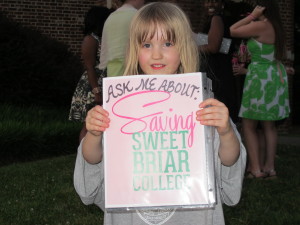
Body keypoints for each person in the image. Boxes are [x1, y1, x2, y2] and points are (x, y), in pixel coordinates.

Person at [74, 2, 246, 225]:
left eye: (167, 43)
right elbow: (93, 160)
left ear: (184, 47)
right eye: (146, 44)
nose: (156, 54)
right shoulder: (119, 108)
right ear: (134, 50)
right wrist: (94, 135)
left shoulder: (204, 106)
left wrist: (226, 134)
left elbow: (228, 160)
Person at [230, 0, 290, 179]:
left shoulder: (260, 25)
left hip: (259, 79)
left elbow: (233, 30)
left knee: (249, 124)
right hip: (272, 76)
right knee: (269, 126)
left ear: (262, 7)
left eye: (256, 5)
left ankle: (255, 169)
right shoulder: (276, 27)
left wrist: (251, 17)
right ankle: (270, 168)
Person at [69, 6, 112, 142]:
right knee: (88, 125)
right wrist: (96, 91)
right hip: (91, 85)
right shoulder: (90, 39)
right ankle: (82, 155)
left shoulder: (101, 38)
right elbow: (89, 67)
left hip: (100, 82)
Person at [198, 0, 239, 123]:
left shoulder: (217, 18)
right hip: (219, 71)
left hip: (217, 73)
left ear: (222, 4)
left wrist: (189, 48)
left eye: (214, 1)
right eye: (207, 2)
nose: (210, 4)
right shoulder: (215, 19)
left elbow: (213, 47)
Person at [98, 0, 144, 77]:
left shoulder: (111, 17)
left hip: (112, 67)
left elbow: (104, 46)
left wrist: (103, 64)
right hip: (133, 66)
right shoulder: (138, 16)